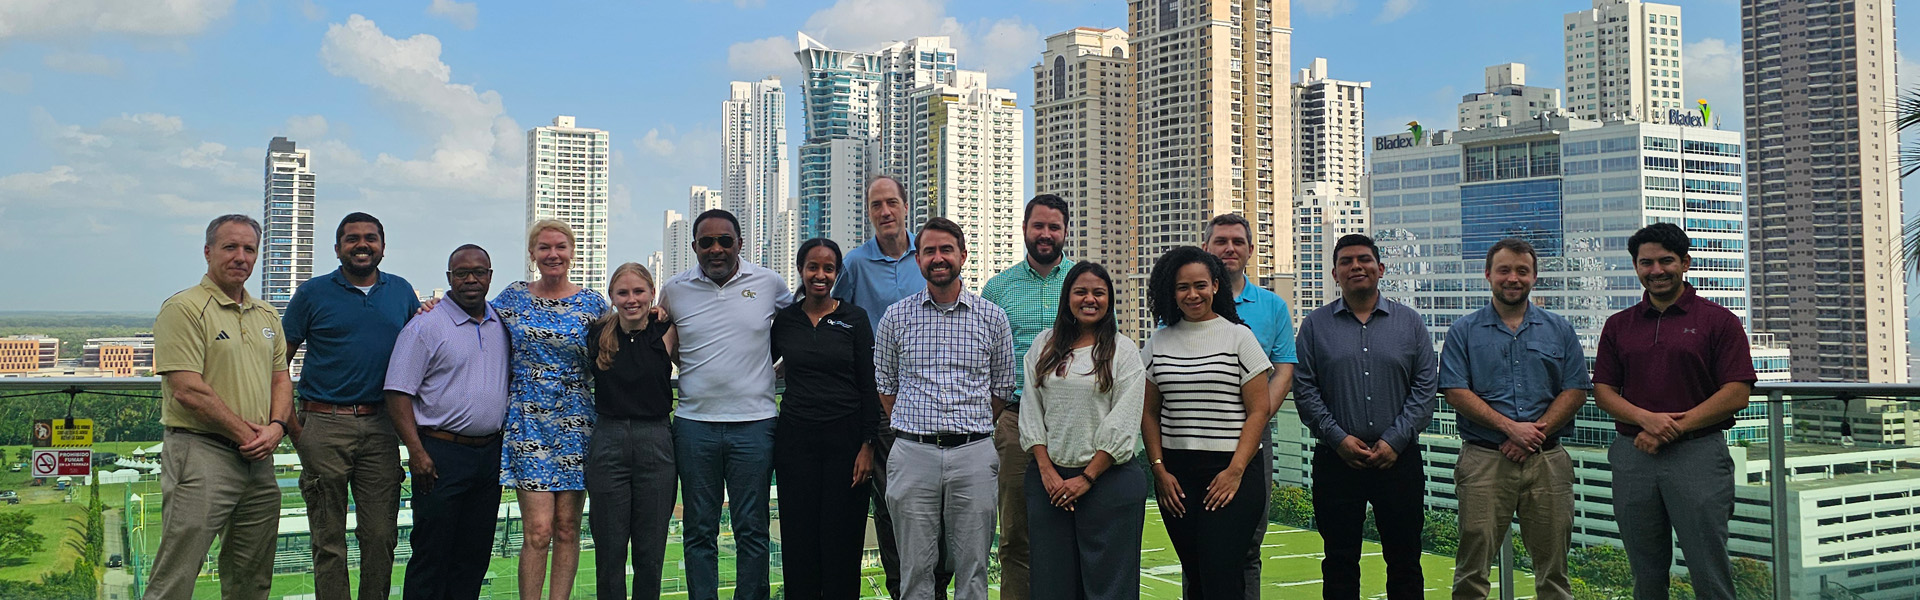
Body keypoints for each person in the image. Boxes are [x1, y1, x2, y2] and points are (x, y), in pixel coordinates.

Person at [1593, 223, 1754, 600]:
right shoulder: (1619, 326)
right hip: (1634, 455)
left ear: (1685, 263)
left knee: (1708, 568)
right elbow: (1602, 391)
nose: (1656, 270)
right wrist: (1646, 420)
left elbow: (1736, 393)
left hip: (1698, 456)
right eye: (1645, 262)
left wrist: (1671, 428)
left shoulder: (1719, 321)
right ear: (1635, 267)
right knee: (1645, 571)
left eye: (1666, 261)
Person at [145, 214, 293, 600]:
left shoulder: (267, 315)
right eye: (230, 247)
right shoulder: (183, 308)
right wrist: (251, 436)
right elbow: (187, 391)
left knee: (251, 576)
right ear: (208, 252)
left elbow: (281, 378)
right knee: (177, 573)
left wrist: (277, 427)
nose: (240, 257)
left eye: (249, 249)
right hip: (201, 453)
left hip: (258, 460)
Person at [1439, 238, 1589, 600]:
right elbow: (1455, 390)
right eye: (1504, 270)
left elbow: (1576, 389)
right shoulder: (1464, 331)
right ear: (1488, 274)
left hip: (1547, 461)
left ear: (1534, 277)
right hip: (1484, 460)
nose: (1513, 278)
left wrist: (1533, 435)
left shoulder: (1560, 329)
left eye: (1522, 271)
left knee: (1554, 569)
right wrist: (1511, 429)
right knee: (1472, 569)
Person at [874, 217, 1015, 600]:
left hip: (973, 453)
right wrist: (917, 427)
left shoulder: (991, 317)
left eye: (946, 249)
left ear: (963, 256)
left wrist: (968, 426)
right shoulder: (896, 317)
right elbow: (886, 387)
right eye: (930, 251)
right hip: (912, 452)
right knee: (915, 569)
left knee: (973, 568)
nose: (938, 258)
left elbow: (1001, 388)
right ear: (917, 259)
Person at [281, 212, 419, 600]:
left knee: (380, 536)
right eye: (352, 238)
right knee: (328, 538)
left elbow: (422, 350)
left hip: (381, 427)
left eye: (370, 238)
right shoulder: (312, 293)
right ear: (337, 247)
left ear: (383, 246)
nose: (362, 245)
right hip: (323, 425)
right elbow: (278, 364)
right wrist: (295, 429)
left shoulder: (401, 292)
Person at [1293, 233, 1438, 600]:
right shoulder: (1314, 326)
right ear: (1334, 274)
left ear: (1380, 268)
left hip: (1399, 461)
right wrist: (1338, 439)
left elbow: (1424, 389)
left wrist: (1395, 440)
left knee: (1405, 561)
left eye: (1364, 259)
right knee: (1339, 562)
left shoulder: (1410, 323)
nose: (1356, 266)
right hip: (1336, 461)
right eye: (1346, 262)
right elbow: (1305, 391)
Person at [659, 208, 792, 600]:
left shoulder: (768, 283)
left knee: (751, 527)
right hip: (694, 424)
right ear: (695, 246)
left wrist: (780, 369)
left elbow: (798, 328)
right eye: (706, 242)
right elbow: (666, 345)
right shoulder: (675, 288)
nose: (716, 249)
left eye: (724, 241)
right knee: (700, 529)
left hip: (755, 424)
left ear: (739, 243)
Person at [832, 174, 941, 599]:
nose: (885, 212)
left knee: (941, 504)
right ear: (869, 213)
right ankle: (903, 591)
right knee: (893, 504)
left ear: (905, 206)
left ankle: (936, 587)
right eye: (876, 205)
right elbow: (833, 312)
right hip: (882, 400)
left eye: (891, 203)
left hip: (936, 397)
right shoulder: (856, 263)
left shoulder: (928, 255)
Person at [1139, 246, 1271, 599]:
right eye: (1183, 287)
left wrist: (1235, 471)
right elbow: (1148, 411)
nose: (1192, 294)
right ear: (1171, 291)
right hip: (1177, 477)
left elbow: (1260, 409)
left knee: (1221, 576)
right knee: (1195, 576)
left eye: (1200, 285)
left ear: (1215, 286)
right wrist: (1159, 470)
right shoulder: (1158, 342)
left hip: (1232, 472)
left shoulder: (1239, 337)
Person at [384, 244, 510, 600]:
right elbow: (397, 393)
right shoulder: (426, 325)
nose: (471, 279)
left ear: (489, 276)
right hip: (440, 454)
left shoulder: (501, 322)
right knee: (431, 554)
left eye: (479, 272)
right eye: (461, 273)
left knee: (473, 556)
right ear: (449, 278)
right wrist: (417, 452)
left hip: (489, 455)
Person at [492, 219, 609, 600]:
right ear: (532, 254)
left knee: (567, 527)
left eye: (560, 246)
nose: (553, 254)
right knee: (538, 530)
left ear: (572, 252)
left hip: (575, 420)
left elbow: (618, 345)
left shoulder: (592, 303)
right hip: (528, 419)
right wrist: (432, 305)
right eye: (544, 247)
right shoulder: (513, 297)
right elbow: (475, 323)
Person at [1020, 261, 1147, 600]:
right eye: (1081, 292)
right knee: (1051, 585)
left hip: (1108, 482)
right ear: (1068, 298)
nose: (1089, 299)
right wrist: (1046, 471)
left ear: (1109, 300)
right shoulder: (1043, 346)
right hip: (1050, 486)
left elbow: (1124, 422)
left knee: (1110, 587)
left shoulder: (1124, 351)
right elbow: (1031, 411)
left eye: (1098, 293)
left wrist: (1087, 478)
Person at [771, 238, 880, 599]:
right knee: (799, 540)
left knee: (842, 540)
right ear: (801, 270)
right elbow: (756, 364)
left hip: (847, 444)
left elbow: (869, 383)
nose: (820, 275)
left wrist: (867, 446)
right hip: (795, 443)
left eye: (828, 268)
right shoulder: (785, 321)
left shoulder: (854, 318)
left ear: (837, 273)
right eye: (812, 267)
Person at [979, 194, 1073, 600]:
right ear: (1024, 230)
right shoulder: (998, 288)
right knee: (1016, 534)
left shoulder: (1084, 283)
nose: (1046, 234)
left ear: (1066, 231)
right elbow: (980, 356)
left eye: (1054, 227)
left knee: (1071, 531)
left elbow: (1108, 350)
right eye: (1039, 226)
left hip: (1074, 421)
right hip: (1014, 421)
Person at [1200, 213, 1297, 597]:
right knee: (1198, 540)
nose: (1229, 248)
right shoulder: (1187, 296)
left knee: (1249, 542)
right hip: (1195, 438)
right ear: (1205, 247)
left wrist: (1257, 419)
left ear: (1251, 251)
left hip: (1254, 440)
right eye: (1220, 241)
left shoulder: (1272, 306)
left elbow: (1284, 369)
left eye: (1238, 242)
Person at [585, 262, 680, 600]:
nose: (631, 299)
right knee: (609, 551)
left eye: (639, 291)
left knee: (650, 552)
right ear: (611, 296)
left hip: (655, 440)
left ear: (652, 294)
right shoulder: (598, 333)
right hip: (608, 440)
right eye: (622, 292)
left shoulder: (665, 329)